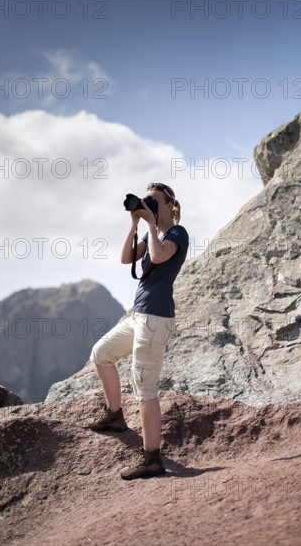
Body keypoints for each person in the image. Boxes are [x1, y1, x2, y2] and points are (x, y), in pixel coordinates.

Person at [84, 182, 189, 480]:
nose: (149, 205)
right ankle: (114, 416)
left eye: (154, 201)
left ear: (169, 205)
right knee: (101, 354)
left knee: (145, 388)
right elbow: (125, 259)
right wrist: (135, 223)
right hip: (139, 315)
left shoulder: (177, 233)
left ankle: (152, 459)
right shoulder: (149, 231)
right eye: (147, 201)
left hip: (156, 319)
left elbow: (157, 258)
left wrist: (153, 224)